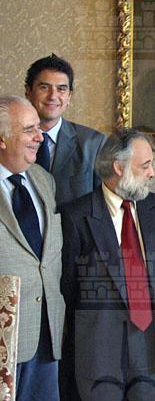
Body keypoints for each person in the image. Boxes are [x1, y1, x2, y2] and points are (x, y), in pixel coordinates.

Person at [60, 129, 155, 400]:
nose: (152, 173)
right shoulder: (76, 216)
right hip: (98, 350)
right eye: (145, 165)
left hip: (153, 348)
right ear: (118, 167)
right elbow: (68, 286)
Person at [0, 96, 65, 400]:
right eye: (29, 130)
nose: (40, 137)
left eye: (38, 128)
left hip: (46, 336)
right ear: (2, 139)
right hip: (4, 338)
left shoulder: (43, 180)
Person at [24, 54, 106, 208]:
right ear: (28, 92)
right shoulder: (8, 139)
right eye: (44, 87)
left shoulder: (93, 143)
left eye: (61, 89)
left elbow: (103, 206)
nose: (53, 96)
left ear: (69, 97)